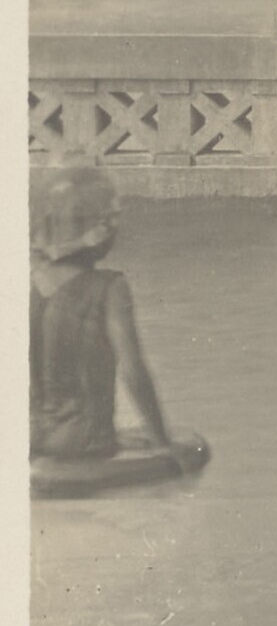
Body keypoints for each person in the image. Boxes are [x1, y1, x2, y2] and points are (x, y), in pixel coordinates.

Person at [30, 167, 179, 462]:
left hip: (33, 438)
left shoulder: (31, 283)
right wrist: (162, 443)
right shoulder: (110, 288)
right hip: (84, 442)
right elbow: (133, 372)